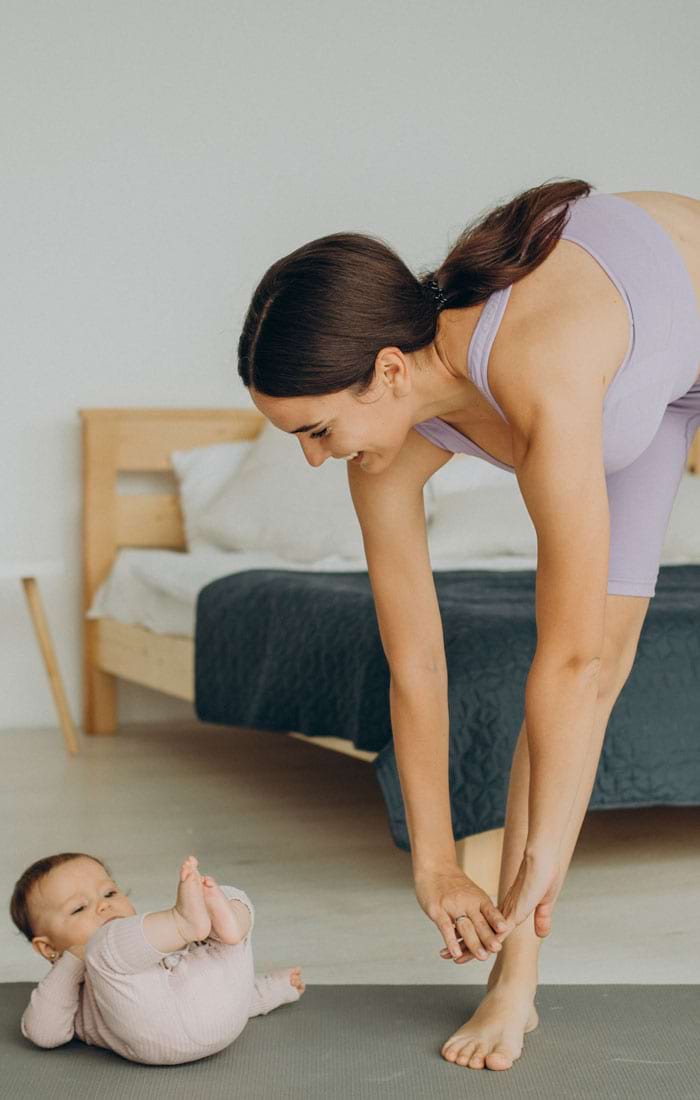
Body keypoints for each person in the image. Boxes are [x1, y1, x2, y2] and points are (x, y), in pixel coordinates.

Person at [237, 179, 700, 1072]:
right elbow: (416, 664)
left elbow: (569, 661)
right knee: (586, 680)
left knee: (585, 671)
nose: (314, 457)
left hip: (677, 307)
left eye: (317, 429)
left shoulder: (541, 371)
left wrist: (547, 851)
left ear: (389, 370)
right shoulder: (381, 457)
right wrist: (437, 862)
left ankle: (524, 930)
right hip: (651, 377)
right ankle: (514, 984)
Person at [11, 853, 304, 1064]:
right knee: (102, 946)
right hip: (159, 1039)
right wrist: (72, 962)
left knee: (227, 896)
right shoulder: (73, 989)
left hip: (225, 1021)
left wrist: (273, 989)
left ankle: (230, 927)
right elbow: (43, 1032)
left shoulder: (154, 943)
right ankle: (190, 923)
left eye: (110, 893)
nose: (104, 906)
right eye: (78, 909)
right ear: (47, 948)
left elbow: (218, 990)